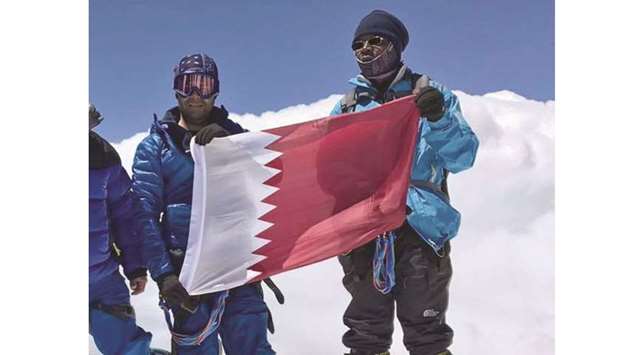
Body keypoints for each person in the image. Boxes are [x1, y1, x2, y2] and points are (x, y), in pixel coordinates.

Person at [330, 10, 479, 355]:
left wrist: (439, 119)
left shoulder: (430, 96)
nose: (367, 50)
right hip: (365, 233)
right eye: (359, 45)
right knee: (366, 336)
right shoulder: (347, 108)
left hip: (420, 229)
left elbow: (463, 157)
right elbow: (327, 174)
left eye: (376, 41)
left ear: (396, 46)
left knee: (427, 334)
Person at [132, 53, 275, 355]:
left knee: (252, 348)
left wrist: (231, 149)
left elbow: (270, 184)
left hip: (237, 267)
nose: (196, 95)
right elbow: (142, 214)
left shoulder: (238, 138)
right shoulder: (156, 147)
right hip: (187, 273)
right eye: (188, 85)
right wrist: (164, 276)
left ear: (216, 90)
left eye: (204, 85)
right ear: (176, 89)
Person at [89, 104, 158, 355]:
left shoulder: (102, 155)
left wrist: (136, 266)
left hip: (102, 279)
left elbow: (124, 217)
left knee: (128, 349)